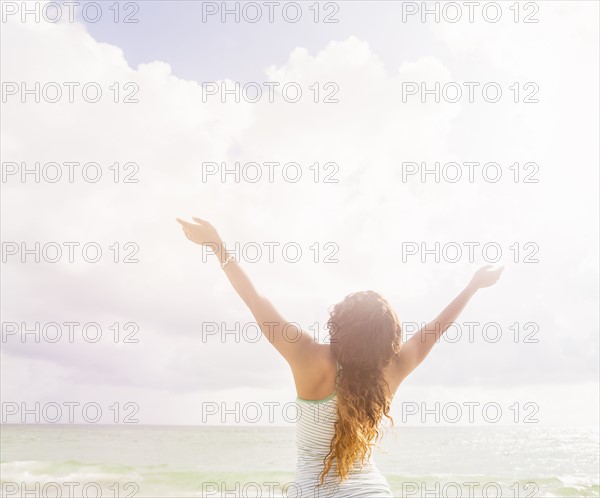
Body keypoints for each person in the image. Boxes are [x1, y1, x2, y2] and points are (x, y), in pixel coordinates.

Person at [176, 216, 504, 497]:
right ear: (389, 338)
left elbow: (255, 300)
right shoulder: (393, 368)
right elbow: (434, 330)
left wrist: (217, 246)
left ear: (339, 326)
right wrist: (473, 286)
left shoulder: (308, 356)